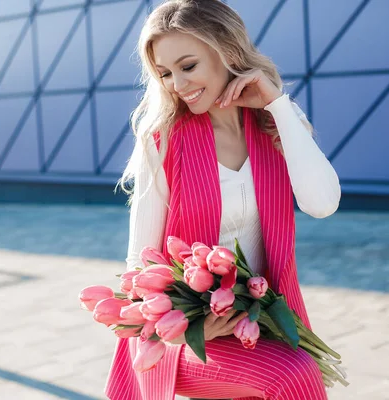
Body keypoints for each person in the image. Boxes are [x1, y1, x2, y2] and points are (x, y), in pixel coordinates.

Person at [108, 1, 341, 399]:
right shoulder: (162, 140)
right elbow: (139, 265)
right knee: (294, 373)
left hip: (260, 320)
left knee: (296, 373)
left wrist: (277, 104)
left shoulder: (275, 121)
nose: (177, 85)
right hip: (180, 338)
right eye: (164, 73)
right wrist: (185, 324)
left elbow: (322, 204)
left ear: (227, 52)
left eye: (188, 66)